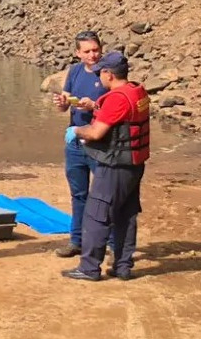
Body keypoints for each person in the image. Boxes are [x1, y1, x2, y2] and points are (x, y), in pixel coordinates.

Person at [62, 51, 150, 281]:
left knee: (96, 215)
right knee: (126, 215)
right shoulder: (136, 91)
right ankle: (123, 266)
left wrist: (76, 131)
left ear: (109, 75)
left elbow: (96, 132)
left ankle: (89, 267)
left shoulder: (117, 98)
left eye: (101, 72)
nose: (99, 76)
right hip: (134, 164)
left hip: (115, 166)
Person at [52, 30, 113, 258]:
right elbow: (64, 107)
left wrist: (94, 106)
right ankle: (76, 241)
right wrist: (61, 102)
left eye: (95, 50)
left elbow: (116, 106)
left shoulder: (108, 74)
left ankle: (113, 243)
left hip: (100, 142)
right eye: (87, 51)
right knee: (78, 194)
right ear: (78, 53)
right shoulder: (75, 71)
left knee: (105, 195)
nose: (93, 55)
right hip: (75, 142)